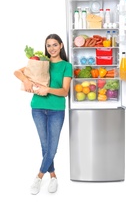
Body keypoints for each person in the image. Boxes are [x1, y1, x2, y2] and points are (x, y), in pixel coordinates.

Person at [14, 34, 72, 195]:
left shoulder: (67, 66)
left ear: (61, 46)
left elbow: (65, 91)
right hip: (38, 108)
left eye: (55, 45)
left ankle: (39, 177)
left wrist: (48, 90)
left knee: (51, 148)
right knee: (45, 146)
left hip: (56, 110)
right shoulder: (41, 62)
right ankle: (53, 176)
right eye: (48, 45)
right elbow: (16, 72)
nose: (51, 48)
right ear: (45, 47)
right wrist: (26, 81)